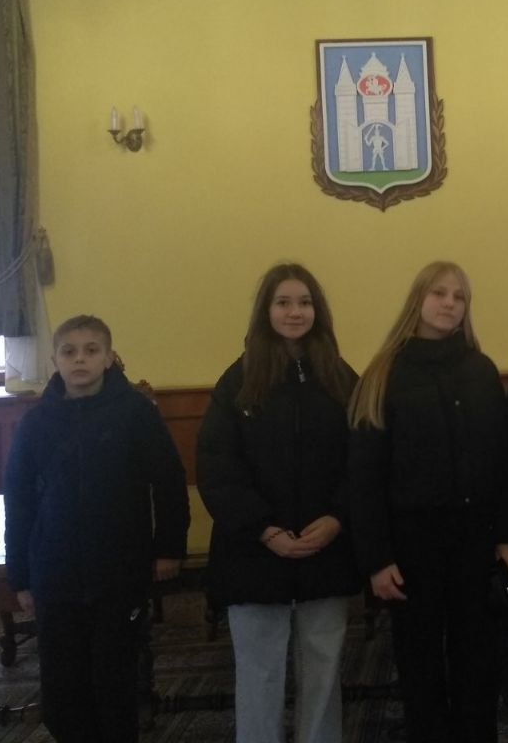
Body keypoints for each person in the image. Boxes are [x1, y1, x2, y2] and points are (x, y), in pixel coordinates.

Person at [348, 261, 508, 743]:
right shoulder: (384, 374)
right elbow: (364, 478)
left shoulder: (480, 370)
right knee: (419, 664)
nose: (449, 303)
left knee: (478, 662)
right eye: (439, 293)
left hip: (475, 543)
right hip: (411, 547)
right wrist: (377, 559)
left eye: (459, 296)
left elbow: (502, 463)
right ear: (418, 300)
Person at [4, 315, 190, 743]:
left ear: (108, 358)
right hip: (55, 574)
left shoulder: (136, 415)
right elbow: (18, 500)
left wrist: (169, 548)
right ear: (54, 361)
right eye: (69, 352)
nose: (80, 360)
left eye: (91, 351)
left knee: (115, 678)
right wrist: (21, 575)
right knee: (63, 684)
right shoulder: (36, 424)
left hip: (119, 572)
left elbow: (168, 480)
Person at [197, 263, 361, 743]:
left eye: (304, 303)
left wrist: (337, 518)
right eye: (283, 302)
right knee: (259, 674)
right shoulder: (237, 381)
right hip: (253, 554)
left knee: (324, 671)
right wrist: (265, 529)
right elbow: (218, 468)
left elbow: (362, 460)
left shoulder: (340, 378)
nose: (295, 312)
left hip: (326, 550)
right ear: (265, 311)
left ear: (318, 311)